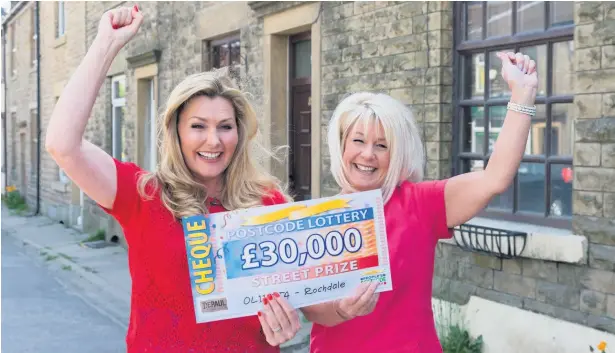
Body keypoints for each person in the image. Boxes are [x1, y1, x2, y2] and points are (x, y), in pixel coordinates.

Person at [45, 6, 301, 352]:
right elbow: (62, 144)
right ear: (176, 133)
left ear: (239, 135)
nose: (214, 141)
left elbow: (301, 297)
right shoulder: (143, 195)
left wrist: (286, 325)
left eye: (225, 127)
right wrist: (106, 44)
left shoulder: (269, 203)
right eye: (198, 126)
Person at [300, 51, 538, 352]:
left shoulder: (420, 204)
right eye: (358, 141)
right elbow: (310, 308)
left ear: (396, 154)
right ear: (342, 146)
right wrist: (343, 309)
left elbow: (494, 179)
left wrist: (523, 94)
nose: (368, 154)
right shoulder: (316, 218)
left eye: (382, 145)